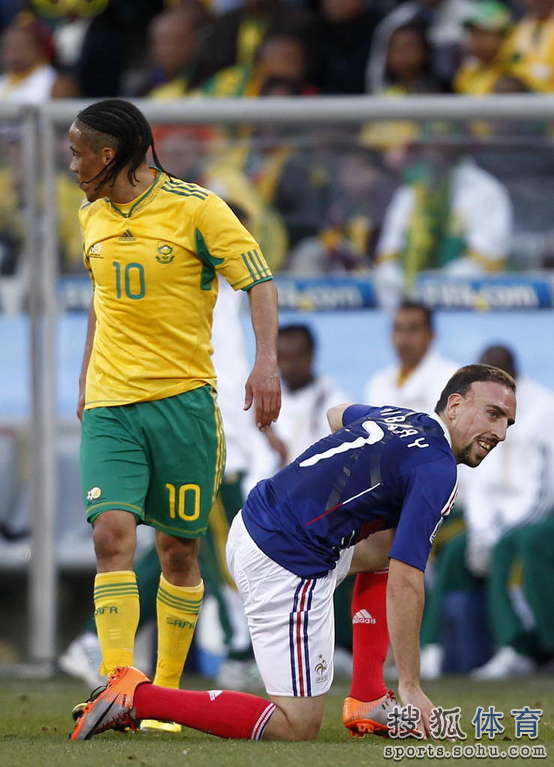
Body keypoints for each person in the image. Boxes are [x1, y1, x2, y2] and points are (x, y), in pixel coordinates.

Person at [70, 363, 516, 742]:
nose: (498, 432)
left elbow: (337, 414)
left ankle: (367, 697)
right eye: (492, 414)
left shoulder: (400, 419)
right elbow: (407, 580)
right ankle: (135, 697)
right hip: (287, 562)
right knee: (297, 725)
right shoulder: (438, 468)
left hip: (258, 518)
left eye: (507, 423)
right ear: (454, 405)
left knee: (384, 543)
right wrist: (413, 686)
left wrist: (351, 485)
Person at [68, 99, 280, 732]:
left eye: (79, 152)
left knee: (178, 551)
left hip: (183, 402)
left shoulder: (197, 208)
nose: (72, 164)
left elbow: (259, 281)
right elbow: (100, 302)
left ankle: (162, 697)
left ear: (110, 156)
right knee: (111, 534)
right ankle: (116, 688)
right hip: (111, 403)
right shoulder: (90, 216)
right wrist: (85, 378)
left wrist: (265, 363)